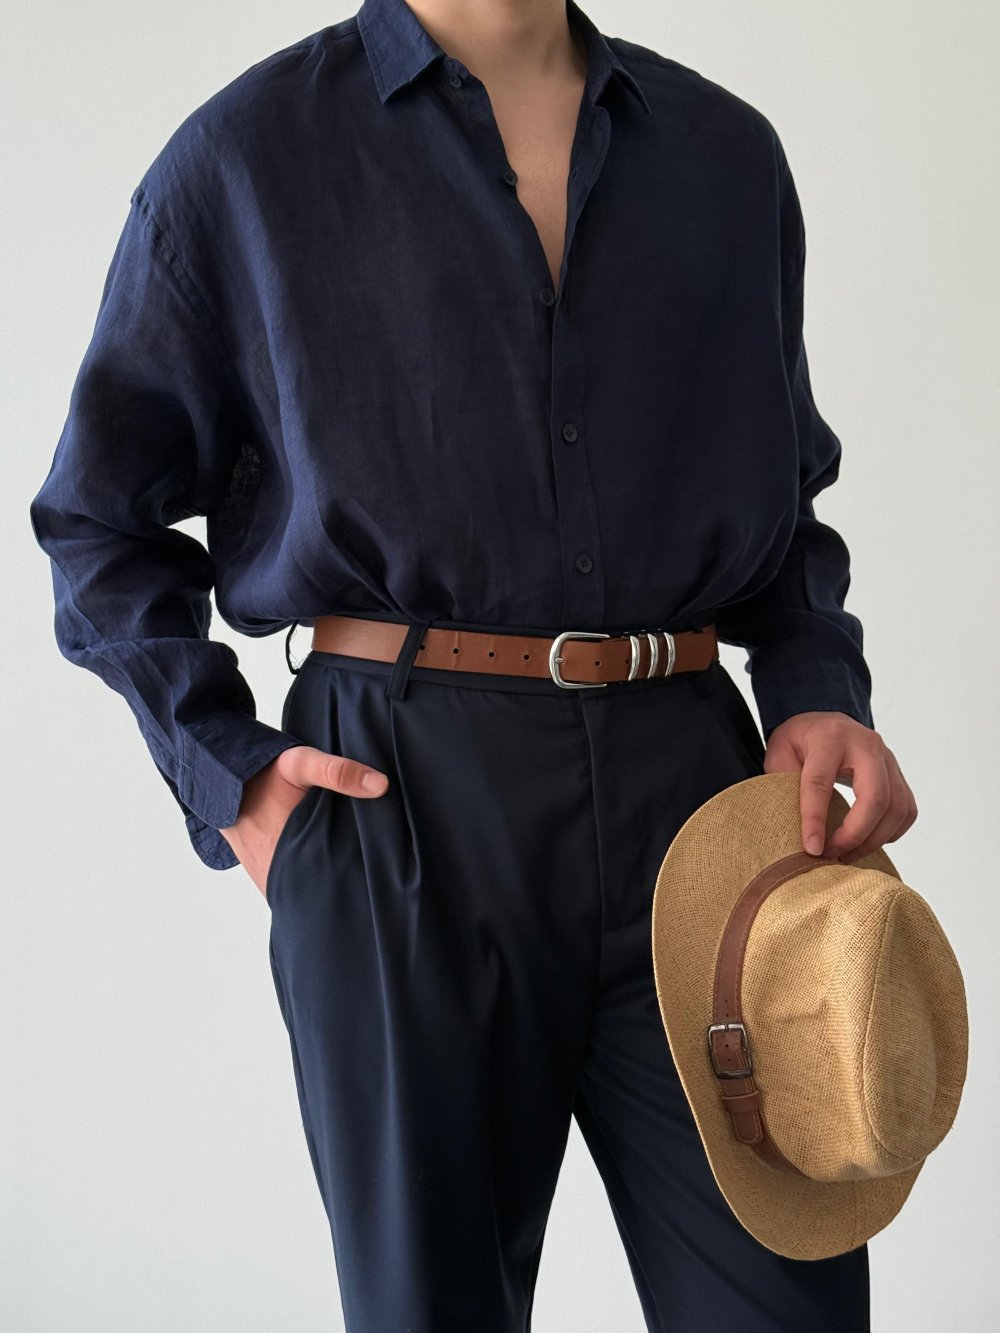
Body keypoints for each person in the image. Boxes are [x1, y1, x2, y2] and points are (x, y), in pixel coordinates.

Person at [29, 0, 917, 1328]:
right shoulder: (248, 157)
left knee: (788, 1299)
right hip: (402, 806)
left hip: (703, 797)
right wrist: (234, 776)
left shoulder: (724, 156)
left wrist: (816, 686)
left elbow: (780, 501)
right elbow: (99, 519)